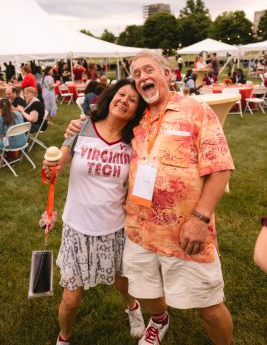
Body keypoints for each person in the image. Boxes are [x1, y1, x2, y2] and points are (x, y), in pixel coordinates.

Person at [66, 50, 234, 345]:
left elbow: (220, 168)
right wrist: (79, 128)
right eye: (137, 73)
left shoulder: (196, 111)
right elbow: (107, 125)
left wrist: (201, 218)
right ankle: (159, 320)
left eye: (148, 70)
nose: (142, 76)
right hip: (139, 232)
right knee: (146, 291)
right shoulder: (137, 119)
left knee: (209, 306)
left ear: (166, 75)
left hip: (185, 234)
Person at [43, 79, 147, 345]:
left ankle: (133, 309)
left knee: (123, 282)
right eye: (121, 94)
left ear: (136, 110)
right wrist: (50, 166)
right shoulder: (82, 126)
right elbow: (59, 166)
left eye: (132, 100)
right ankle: (64, 337)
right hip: (77, 228)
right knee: (71, 298)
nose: (124, 100)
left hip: (114, 228)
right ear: (111, 97)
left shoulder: (134, 141)